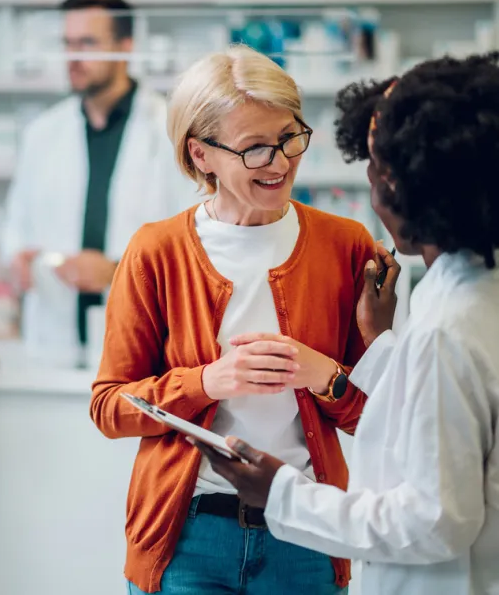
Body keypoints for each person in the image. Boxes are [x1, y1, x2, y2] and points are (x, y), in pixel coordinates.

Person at [195, 52, 499, 595]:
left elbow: (434, 521)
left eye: (378, 169)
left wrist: (281, 493)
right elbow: (437, 421)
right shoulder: (465, 290)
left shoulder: (444, 328)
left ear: (410, 188)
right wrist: (380, 345)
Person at [90, 45, 375, 594]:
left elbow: (377, 416)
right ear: (201, 155)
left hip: (308, 531)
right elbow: (109, 407)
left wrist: (322, 374)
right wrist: (206, 382)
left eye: (290, 138)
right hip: (189, 537)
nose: (281, 163)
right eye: (255, 149)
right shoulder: (156, 251)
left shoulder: (345, 245)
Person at [1, 0, 195, 363]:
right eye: (67, 43)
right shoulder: (43, 132)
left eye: (87, 43)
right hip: (54, 338)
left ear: (125, 47)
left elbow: (193, 241)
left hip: (142, 340)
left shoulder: (170, 130)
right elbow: (17, 225)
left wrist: (116, 271)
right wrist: (18, 258)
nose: (73, 57)